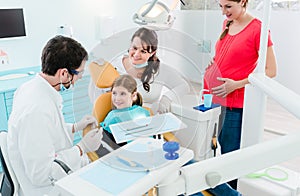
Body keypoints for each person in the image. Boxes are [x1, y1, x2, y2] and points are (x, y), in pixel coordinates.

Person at [7, 35, 103, 196]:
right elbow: (41, 175)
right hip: (47, 190)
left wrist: (74, 127)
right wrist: (82, 148)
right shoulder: (36, 110)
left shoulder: (31, 88)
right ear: (64, 73)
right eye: (79, 73)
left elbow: (44, 132)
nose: (79, 78)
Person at [203, 0, 277, 191]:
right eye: (220, 6)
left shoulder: (258, 29)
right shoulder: (228, 22)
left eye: (228, 7)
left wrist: (236, 85)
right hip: (214, 98)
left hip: (234, 103)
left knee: (230, 154)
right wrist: (215, 63)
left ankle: (232, 192)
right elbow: (229, 55)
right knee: (216, 147)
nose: (223, 12)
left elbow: (270, 70)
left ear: (243, 2)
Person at [89, 27, 190, 114]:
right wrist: (97, 73)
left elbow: (184, 86)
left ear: (152, 52)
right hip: (117, 123)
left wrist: (167, 99)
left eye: (143, 51)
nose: (136, 54)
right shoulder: (115, 66)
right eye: (134, 48)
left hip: (147, 122)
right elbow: (96, 98)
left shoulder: (159, 69)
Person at [100, 74, 150, 148]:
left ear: (133, 95)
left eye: (122, 94)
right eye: (114, 93)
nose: (117, 98)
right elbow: (106, 146)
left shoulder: (143, 112)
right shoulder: (112, 118)